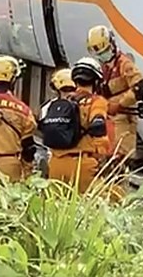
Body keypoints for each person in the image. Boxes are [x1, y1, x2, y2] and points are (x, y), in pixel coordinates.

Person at [44, 58, 112, 193]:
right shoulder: (97, 101)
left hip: (55, 166)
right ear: (96, 82)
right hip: (82, 167)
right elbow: (98, 126)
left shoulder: (63, 102)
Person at [86, 25, 143, 164]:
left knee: (121, 160)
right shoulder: (103, 67)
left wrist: (119, 105)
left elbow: (140, 88)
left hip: (124, 121)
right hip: (108, 121)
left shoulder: (124, 63)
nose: (103, 55)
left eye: (105, 50)